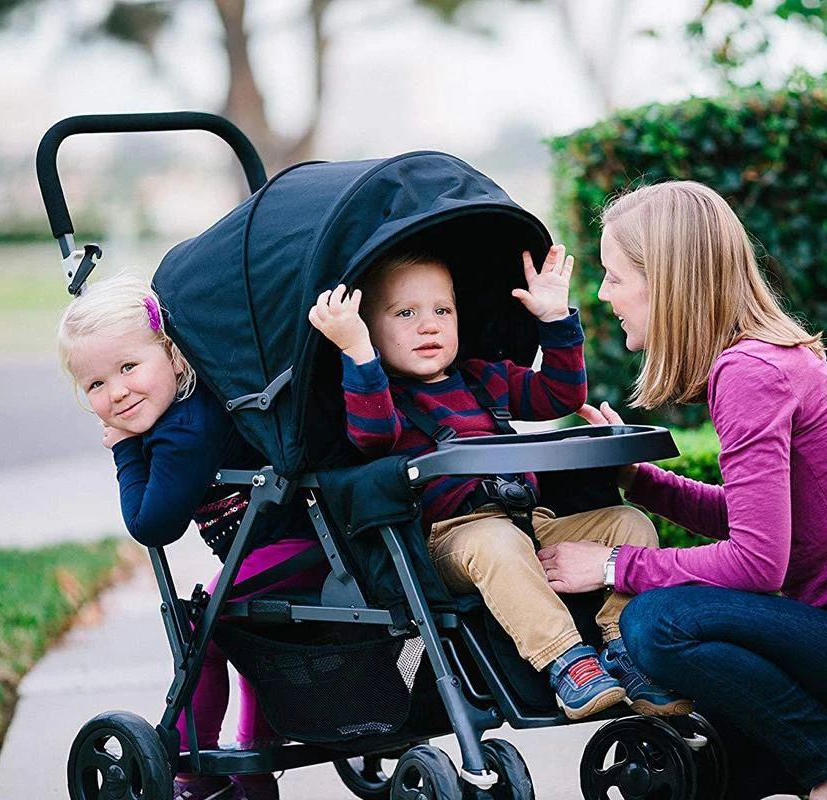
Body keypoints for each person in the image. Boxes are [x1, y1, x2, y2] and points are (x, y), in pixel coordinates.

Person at [536, 182, 827, 800]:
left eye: (615, 276)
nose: (604, 294)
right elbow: (755, 522)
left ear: (667, 281)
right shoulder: (762, 361)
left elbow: (758, 563)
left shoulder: (749, 374)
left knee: (656, 623)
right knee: (706, 775)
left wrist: (611, 565)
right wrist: (637, 478)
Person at [307, 244, 690, 720]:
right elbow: (373, 435)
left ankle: (625, 648)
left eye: (442, 310)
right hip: (451, 538)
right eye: (405, 313)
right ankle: (566, 659)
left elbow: (560, 396)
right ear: (369, 328)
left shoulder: (483, 378)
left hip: (528, 522)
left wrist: (554, 320)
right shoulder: (383, 398)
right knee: (495, 540)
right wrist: (357, 351)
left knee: (627, 524)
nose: (429, 325)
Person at [59, 273, 327, 800]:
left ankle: (192, 766)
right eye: (95, 385)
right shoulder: (202, 397)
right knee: (248, 624)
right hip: (308, 542)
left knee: (202, 628)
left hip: (293, 550)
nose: (117, 392)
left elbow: (153, 524)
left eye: (128, 367)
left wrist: (124, 448)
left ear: (172, 354)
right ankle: (254, 761)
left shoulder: (184, 430)